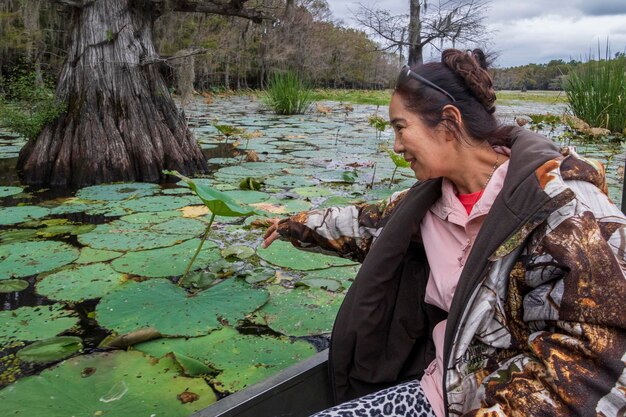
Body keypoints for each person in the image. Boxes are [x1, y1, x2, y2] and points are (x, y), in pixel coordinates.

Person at [262, 48, 626, 417]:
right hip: (439, 392)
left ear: (449, 121)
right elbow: (366, 223)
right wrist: (295, 225)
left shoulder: (566, 209)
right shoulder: (430, 200)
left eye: (401, 127)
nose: (397, 146)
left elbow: (597, 358)